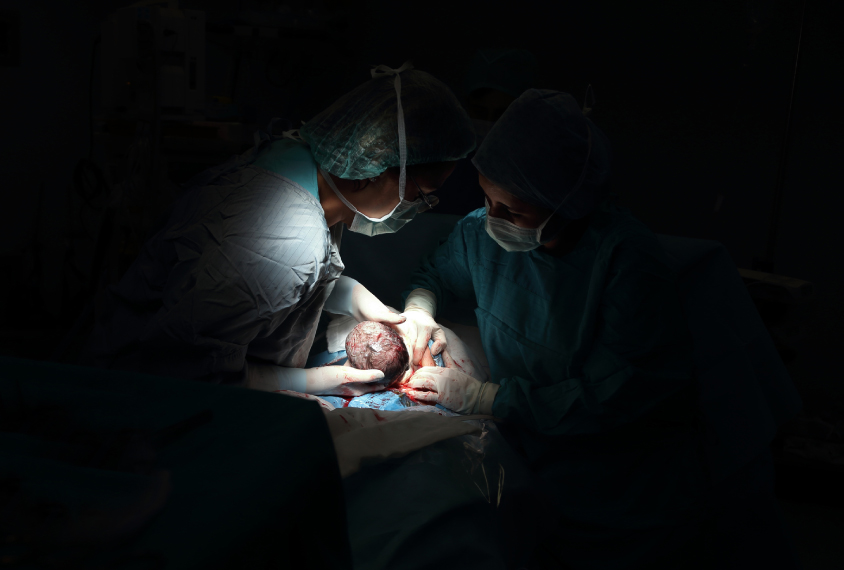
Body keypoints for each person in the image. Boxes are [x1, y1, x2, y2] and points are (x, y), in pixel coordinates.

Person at [395, 89, 799, 569]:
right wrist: (419, 310)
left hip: (620, 494)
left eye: (513, 210)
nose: (492, 219)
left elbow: (616, 396)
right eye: (487, 198)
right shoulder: (479, 232)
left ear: (566, 203)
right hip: (532, 461)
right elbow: (436, 273)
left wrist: (487, 399)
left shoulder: (627, 267)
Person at [81, 63, 475, 398]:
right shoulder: (289, 234)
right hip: (130, 398)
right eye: (420, 193)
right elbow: (188, 373)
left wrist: (355, 298)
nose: (420, 208)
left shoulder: (298, 163)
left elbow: (268, 280)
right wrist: (315, 381)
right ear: (368, 170)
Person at [433, 49, 538, 216]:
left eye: (501, 114)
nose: (489, 122)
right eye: (480, 112)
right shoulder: (445, 160)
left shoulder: (535, 167)